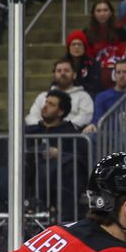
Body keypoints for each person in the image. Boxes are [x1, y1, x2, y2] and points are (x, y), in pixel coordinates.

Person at [25, 89, 88, 223]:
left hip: (58, 184)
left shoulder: (72, 135)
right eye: (46, 102)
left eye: (51, 104)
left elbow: (81, 159)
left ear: (60, 112)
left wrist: (60, 154)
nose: (45, 106)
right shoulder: (30, 131)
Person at [25, 58, 94, 128]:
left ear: (74, 75)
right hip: (43, 134)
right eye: (59, 71)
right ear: (54, 75)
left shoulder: (83, 96)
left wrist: (61, 127)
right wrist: (45, 126)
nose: (62, 73)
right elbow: (31, 117)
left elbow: (86, 116)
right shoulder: (43, 96)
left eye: (66, 71)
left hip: (71, 135)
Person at [86, 58, 126, 134]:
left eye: (125, 72)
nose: (121, 76)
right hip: (108, 136)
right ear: (114, 75)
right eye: (118, 72)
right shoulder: (102, 96)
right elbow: (97, 121)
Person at [64, 29, 101, 97]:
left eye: (79, 44)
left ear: (84, 47)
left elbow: (94, 86)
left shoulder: (93, 64)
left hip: (86, 98)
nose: (76, 47)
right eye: (73, 44)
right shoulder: (62, 64)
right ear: (68, 47)